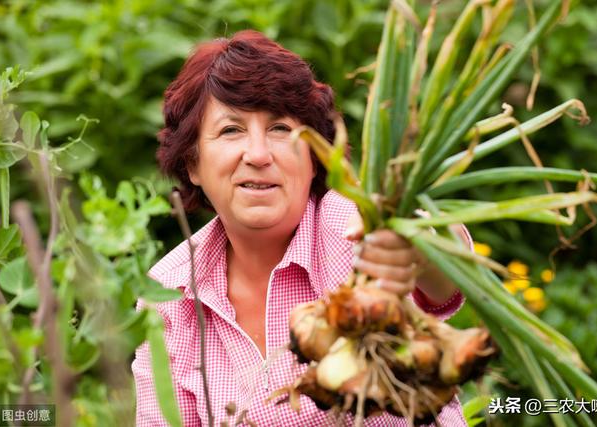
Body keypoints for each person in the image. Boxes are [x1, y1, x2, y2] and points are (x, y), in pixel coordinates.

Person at [132, 30, 470, 426]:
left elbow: (446, 261)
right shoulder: (171, 292)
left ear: (315, 157)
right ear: (192, 164)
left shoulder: (351, 227)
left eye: (280, 129)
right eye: (231, 130)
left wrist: (412, 247)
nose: (258, 154)